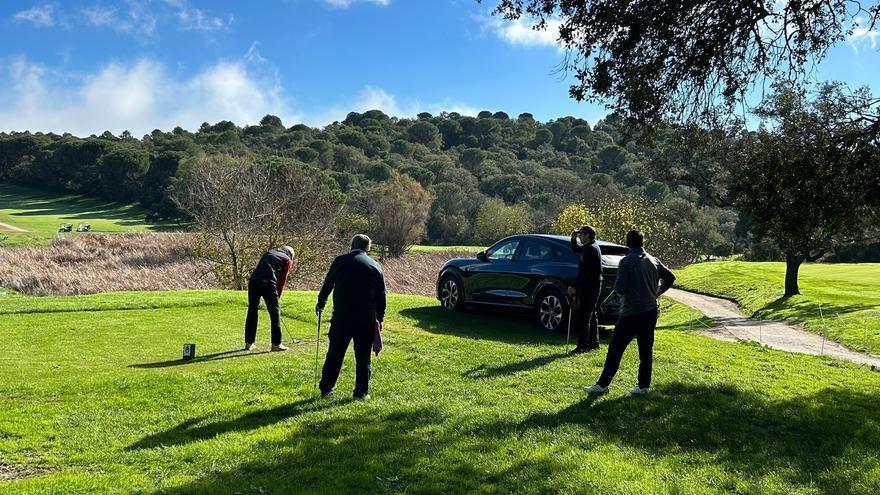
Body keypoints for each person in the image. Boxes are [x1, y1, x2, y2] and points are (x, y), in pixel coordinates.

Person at [586, 230, 675, 396]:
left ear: (627, 242)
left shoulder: (626, 262)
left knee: (615, 349)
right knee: (646, 350)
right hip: (650, 311)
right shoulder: (653, 259)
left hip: (631, 312)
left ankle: (602, 385)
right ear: (643, 242)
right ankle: (643, 386)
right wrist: (657, 292)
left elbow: (619, 288)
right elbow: (670, 277)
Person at [316, 234, 386, 400]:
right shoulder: (375, 265)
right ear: (367, 248)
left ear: (351, 245)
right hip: (366, 318)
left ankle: (327, 389)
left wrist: (321, 303)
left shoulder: (340, 261)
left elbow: (328, 284)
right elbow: (381, 295)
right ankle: (361, 393)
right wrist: (380, 317)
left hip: (342, 316)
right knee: (363, 357)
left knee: (335, 353)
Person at [244, 245, 296, 352]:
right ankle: (276, 344)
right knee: (274, 313)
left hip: (253, 281)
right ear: (290, 255)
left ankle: (249, 343)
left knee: (252, 311)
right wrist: (278, 296)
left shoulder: (268, 253)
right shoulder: (287, 260)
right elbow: (282, 280)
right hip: (268, 283)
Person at [568, 225, 603, 354]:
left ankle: (582, 346)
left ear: (587, 235)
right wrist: (573, 239)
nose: (580, 237)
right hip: (590, 285)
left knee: (584, 316)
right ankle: (594, 344)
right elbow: (576, 248)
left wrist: (574, 286)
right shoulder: (588, 247)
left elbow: (584, 272)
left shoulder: (591, 249)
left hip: (590, 287)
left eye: (581, 234)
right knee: (591, 315)